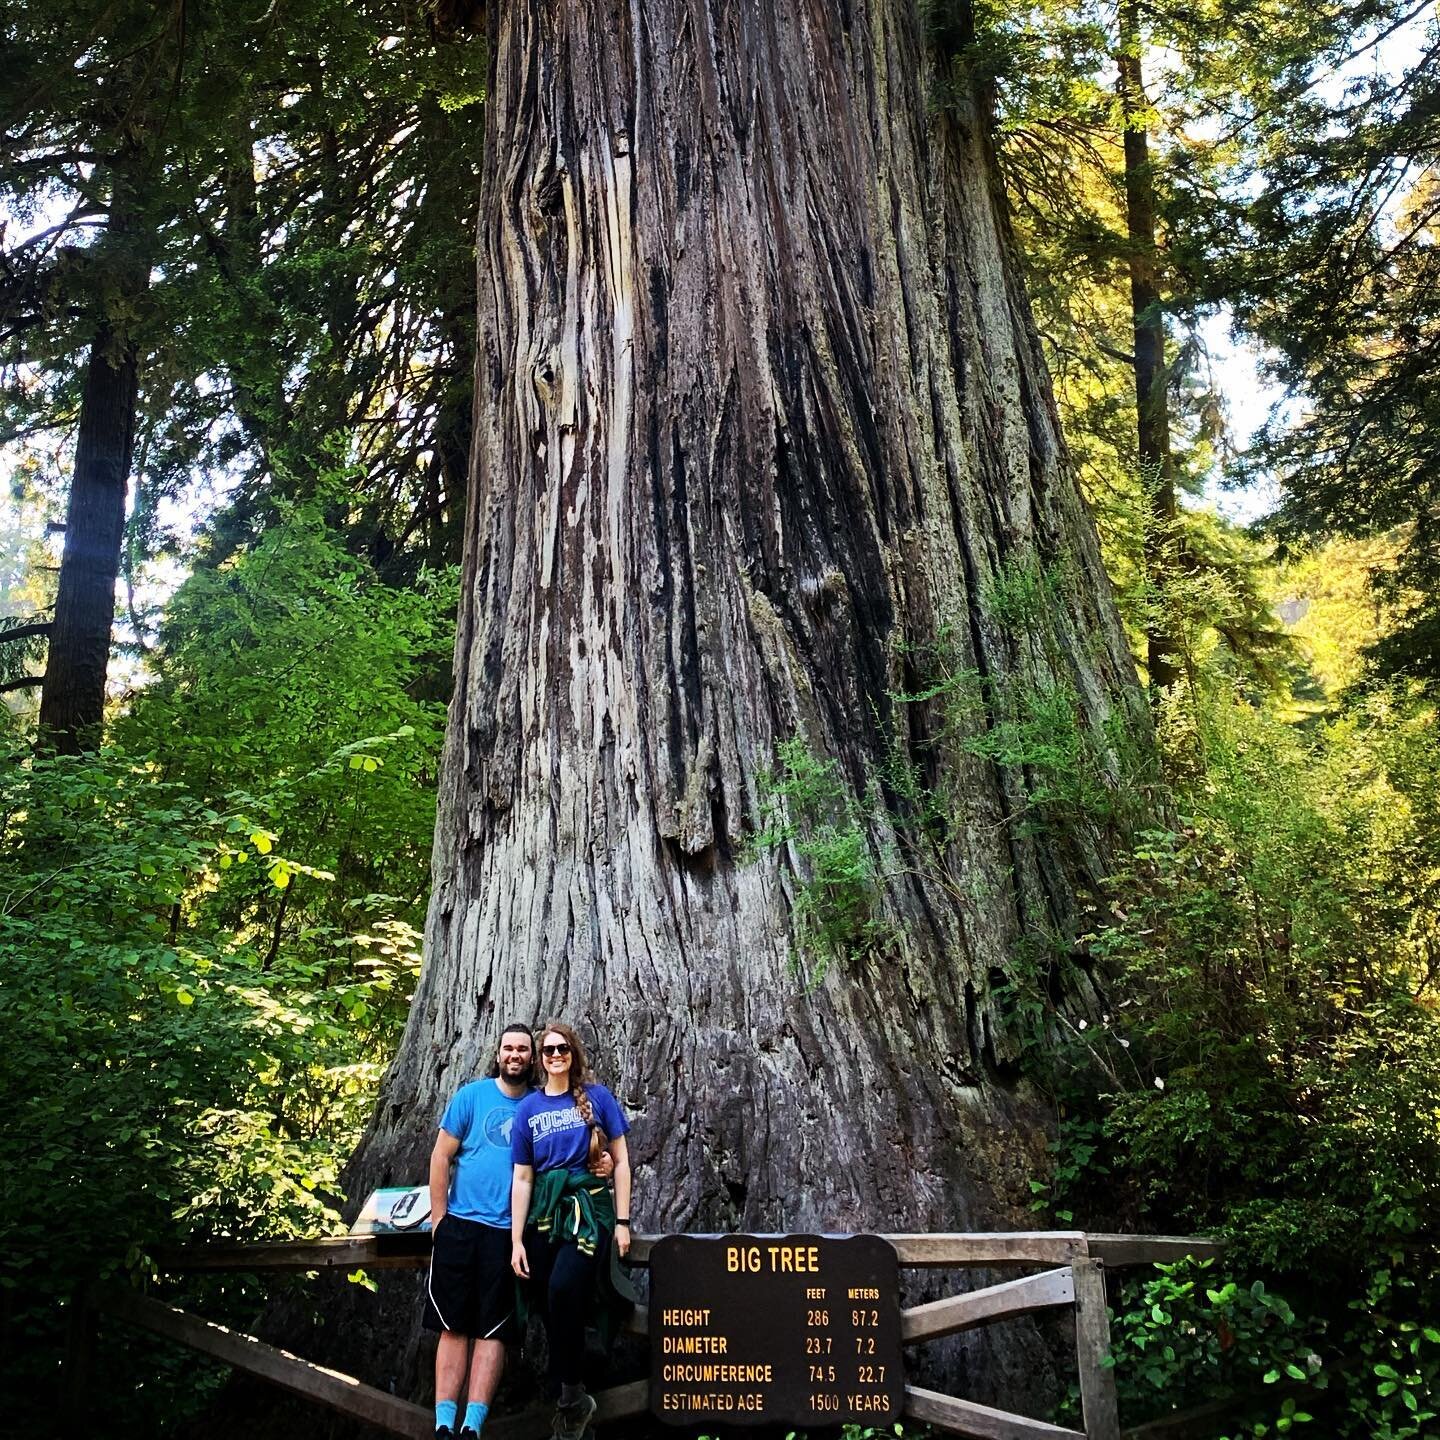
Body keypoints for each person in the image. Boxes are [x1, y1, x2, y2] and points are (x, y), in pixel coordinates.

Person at [426, 1023, 612, 1439]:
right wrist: (440, 1220)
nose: (515, 1055)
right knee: (451, 1325)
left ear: (533, 1059)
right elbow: (441, 1156)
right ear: (497, 1054)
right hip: (461, 1224)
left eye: (523, 1049)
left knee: (494, 1329)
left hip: (513, 1232)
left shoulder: (542, 1103)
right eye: (508, 1047)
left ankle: (472, 1426)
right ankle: (443, 1423)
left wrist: (605, 1165)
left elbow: (580, 1152)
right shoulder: (471, 1097)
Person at [510, 1021, 633, 1440]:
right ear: (540, 1061)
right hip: (544, 1212)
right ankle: (576, 1396)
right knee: (547, 1301)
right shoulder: (528, 1108)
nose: (555, 1055)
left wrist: (621, 1221)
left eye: (562, 1049)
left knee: (563, 1289)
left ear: (573, 1054)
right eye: (548, 1051)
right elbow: (523, 1177)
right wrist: (515, 1239)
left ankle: (570, 1399)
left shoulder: (597, 1099)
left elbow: (621, 1162)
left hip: (586, 1209)